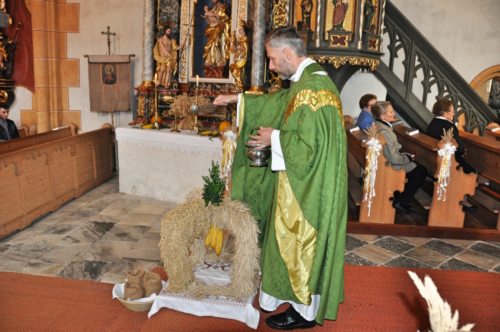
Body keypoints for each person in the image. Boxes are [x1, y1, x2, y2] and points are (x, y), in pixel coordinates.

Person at [213, 27, 347, 329]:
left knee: (300, 246)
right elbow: (280, 102)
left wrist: (275, 138)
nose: (271, 66)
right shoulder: (308, 84)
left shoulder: (314, 91)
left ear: (288, 53)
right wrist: (239, 99)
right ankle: (294, 302)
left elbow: (310, 150)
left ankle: (304, 313)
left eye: (273, 59)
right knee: (286, 243)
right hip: (303, 185)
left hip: (309, 191)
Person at [372, 101, 428, 214]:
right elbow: (394, 158)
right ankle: (400, 200)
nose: (394, 114)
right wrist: (407, 157)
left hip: (385, 161)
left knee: (418, 168)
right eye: (391, 112)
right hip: (389, 165)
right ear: (383, 116)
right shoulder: (384, 131)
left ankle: (399, 194)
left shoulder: (378, 125)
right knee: (421, 171)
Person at [425, 99, 476, 174]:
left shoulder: (434, 121)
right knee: (472, 172)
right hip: (447, 161)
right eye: (452, 111)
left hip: (432, 158)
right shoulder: (449, 126)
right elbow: (458, 148)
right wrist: (463, 150)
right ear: (445, 113)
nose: (454, 113)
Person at [203, 0, 230, 77]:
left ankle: (219, 62)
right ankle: (211, 61)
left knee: (216, 44)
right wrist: (208, 13)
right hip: (212, 30)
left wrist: (210, 13)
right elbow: (208, 19)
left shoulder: (223, 7)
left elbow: (223, 19)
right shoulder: (214, 8)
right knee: (210, 46)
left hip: (220, 32)